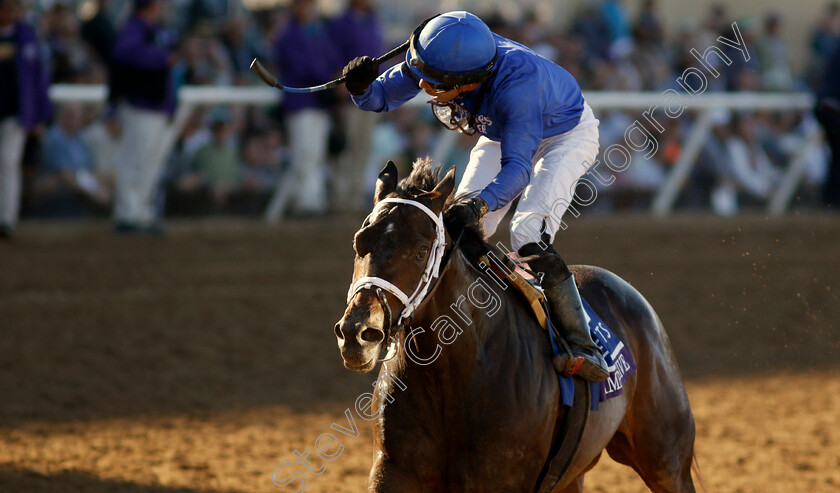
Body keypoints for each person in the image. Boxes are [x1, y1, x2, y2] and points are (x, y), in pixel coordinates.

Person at [341, 11, 608, 382]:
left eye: (433, 86)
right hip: (504, 132)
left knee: (527, 234)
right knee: (453, 231)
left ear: (465, 84)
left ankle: (582, 345)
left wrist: (478, 204)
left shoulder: (517, 90)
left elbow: (518, 170)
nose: (423, 87)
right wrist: (360, 88)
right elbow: (380, 99)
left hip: (565, 135)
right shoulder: (445, 59)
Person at [109, 0, 179, 233]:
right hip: (140, 104)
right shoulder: (133, 28)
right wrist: (160, 58)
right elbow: (124, 53)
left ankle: (141, 213)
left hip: (156, 106)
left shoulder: (156, 30)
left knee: (151, 163)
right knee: (135, 160)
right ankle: (127, 214)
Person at [0, 0, 51, 238]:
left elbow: (40, 80)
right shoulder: (26, 37)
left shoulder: (27, 38)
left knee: (9, 163)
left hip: (15, 114)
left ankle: (6, 220)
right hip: (14, 111)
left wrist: (40, 115)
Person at [329, 0, 383, 212]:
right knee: (347, 148)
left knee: (363, 148)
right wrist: (340, 81)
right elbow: (333, 56)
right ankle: (339, 200)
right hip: (349, 97)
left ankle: (353, 199)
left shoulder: (373, 21)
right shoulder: (340, 23)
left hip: (372, 95)